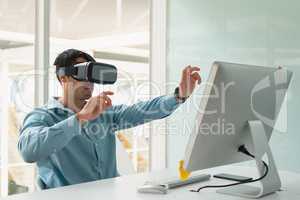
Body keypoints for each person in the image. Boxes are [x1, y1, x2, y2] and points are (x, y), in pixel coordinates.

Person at [18, 49, 201, 189]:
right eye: (83, 74)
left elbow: (142, 110)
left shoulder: (103, 113)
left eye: (92, 76)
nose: (89, 82)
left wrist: (179, 96)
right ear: (63, 78)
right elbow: (28, 151)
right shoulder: (42, 116)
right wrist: (80, 119)